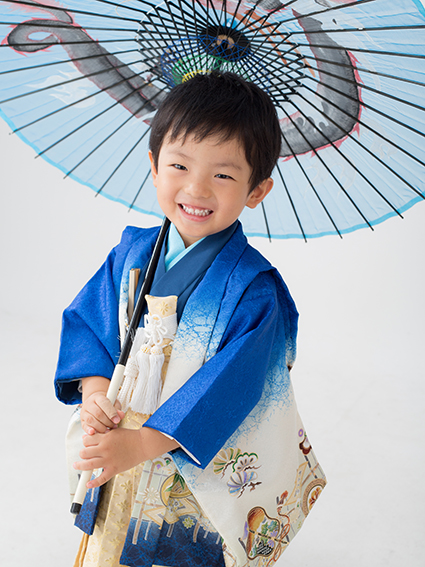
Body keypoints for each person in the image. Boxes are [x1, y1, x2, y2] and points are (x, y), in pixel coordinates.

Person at [55, 71, 326, 567]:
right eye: (179, 165)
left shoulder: (253, 290)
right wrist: (95, 396)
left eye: (223, 175)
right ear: (154, 166)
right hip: (118, 435)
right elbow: (90, 325)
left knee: (171, 548)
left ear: (257, 189)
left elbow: (234, 388)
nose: (197, 188)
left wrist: (143, 443)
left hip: (187, 460)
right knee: (108, 544)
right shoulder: (132, 253)